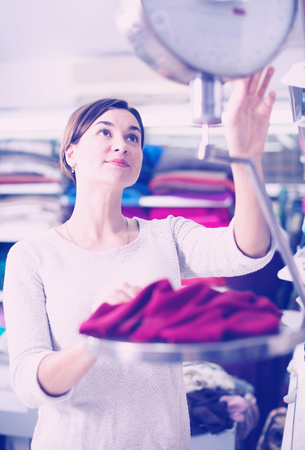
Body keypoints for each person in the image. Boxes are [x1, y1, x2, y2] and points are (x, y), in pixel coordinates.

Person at [3, 68, 277, 449]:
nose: (123, 144)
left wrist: (246, 156)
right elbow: (30, 384)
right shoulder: (31, 257)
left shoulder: (165, 236)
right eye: (105, 132)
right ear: (71, 154)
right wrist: (99, 333)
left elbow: (248, 250)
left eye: (133, 136)